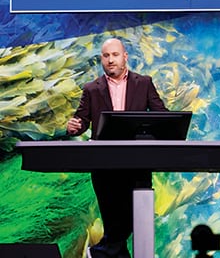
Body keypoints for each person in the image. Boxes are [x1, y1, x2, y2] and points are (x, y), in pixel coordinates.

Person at [66, 37, 167, 258]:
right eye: (106, 56)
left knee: (133, 219)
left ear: (125, 57)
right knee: (113, 222)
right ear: (101, 59)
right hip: (104, 167)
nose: (110, 60)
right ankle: (106, 252)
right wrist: (74, 127)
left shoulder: (144, 83)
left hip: (138, 165)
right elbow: (81, 122)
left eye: (115, 55)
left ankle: (100, 251)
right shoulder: (92, 89)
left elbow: (162, 116)